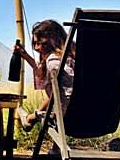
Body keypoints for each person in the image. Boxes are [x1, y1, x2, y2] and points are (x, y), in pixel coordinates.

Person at [15, 20, 75, 152]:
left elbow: (64, 94)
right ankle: (55, 147)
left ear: (52, 40)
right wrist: (25, 55)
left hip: (66, 117)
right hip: (93, 117)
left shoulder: (53, 63)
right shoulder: (74, 58)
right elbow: (42, 73)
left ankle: (32, 117)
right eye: (34, 44)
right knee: (57, 89)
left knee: (56, 93)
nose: (36, 48)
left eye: (39, 43)